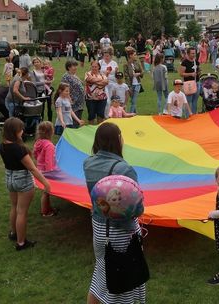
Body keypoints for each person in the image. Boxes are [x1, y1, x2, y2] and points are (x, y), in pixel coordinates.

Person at [83, 122, 146, 304]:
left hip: (99, 228)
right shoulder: (124, 169)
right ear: (118, 140)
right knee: (122, 283)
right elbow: (136, 208)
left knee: (102, 271)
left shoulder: (88, 163)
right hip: (121, 233)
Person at [1, 117, 51, 250]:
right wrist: (46, 183)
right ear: (14, 131)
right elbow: (32, 168)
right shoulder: (19, 149)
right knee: (22, 212)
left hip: (9, 178)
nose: (22, 131)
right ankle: (21, 242)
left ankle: (14, 233)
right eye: (20, 129)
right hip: (22, 180)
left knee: (14, 207)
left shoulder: (3, 145)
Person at [33, 121, 58, 217]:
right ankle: (45, 211)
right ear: (51, 132)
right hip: (47, 172)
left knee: (46, 192)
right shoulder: (49, 146)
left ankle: (48, 208)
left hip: (40, 170)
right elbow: (48, 161)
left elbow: (35, 155)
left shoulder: (38, 142)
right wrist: (51, 173)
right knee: (46, 192)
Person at [61, 60, 86, 126]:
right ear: (69, 67)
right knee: (73, 121)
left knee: (78, 120)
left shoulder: (74, 75)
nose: (75, 67)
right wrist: (69, 99)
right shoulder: (66, 76)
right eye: (74, 66)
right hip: (73, 103)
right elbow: (64, 89)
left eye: (76, 66)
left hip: (79, 103)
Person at [85, 60, 109, 125]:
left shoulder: (102, 74)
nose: (94, 68)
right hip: (90, 98)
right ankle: (91, 131)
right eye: (92, 66)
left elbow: (106, 82)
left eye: (95, 66)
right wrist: (101, 81)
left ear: (99, 67)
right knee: (91, 115)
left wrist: (94, 81)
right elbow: (89, 79)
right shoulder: (88, 74)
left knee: (101, 115)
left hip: (102, 98)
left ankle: (99, 129)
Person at [179, 47, 201, 115]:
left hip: (196, 83)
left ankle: (193, 116)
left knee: (195, 101)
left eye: (195, 53)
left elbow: (198, 70)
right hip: (188, 84)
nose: (194, 55)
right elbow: (181, 74)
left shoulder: (196, 62)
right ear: (188, 54)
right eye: (192, 53)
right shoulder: (184, 62)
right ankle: (187, 116)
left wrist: (199, 72)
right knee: (188, 101)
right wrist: (191, 74)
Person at [99, 47, 119, 117]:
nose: (106, 57)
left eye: (107, 56)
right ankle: (106, 116)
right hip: (103, 84)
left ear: (111, 56)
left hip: (112, 84)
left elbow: (117, 74)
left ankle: (112, 114)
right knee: (107, 101)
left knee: (113, 100)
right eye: (104, 56)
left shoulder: (114, 63)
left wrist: (118, 84)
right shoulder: (100, 62)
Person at [123, 48, 143, 114]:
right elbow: (126, 77)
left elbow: (142, 72)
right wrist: (129, 86)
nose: (136, 56)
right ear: (130, 56)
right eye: (134, 55)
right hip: (131, 85)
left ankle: (130, 115)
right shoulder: (125, 65)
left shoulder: (137, 63)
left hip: (137, 84)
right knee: (132, 101)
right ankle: (135, 114)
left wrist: (139, 74)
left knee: (134, 101)